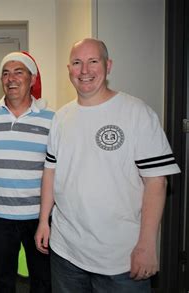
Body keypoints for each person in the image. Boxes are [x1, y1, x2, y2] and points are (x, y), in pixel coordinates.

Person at [34, 38, 181, 293]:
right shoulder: (61, 117)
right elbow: (51, 171)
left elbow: (157, 181)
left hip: (120, 259)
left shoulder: (136, 113)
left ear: (108, 65)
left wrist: (147, 245)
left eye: (93, 61)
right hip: (66, 252)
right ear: (69, 69)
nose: (85, 71)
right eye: (77, 63)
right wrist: (43, 221)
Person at [0, 51, 53, 293]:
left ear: (32, 79)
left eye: (19, 72)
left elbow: (55, 167)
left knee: (42, 278)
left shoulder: (51, 118)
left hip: (39, 216)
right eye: (6, 73)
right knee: (2, 279)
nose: (11, 78)